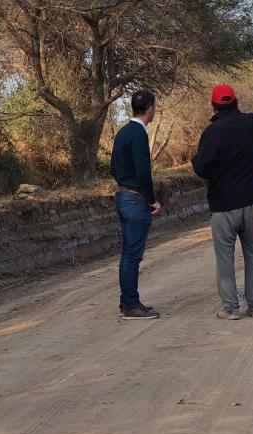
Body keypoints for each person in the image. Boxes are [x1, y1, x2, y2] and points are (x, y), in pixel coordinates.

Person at [192, 84, 253, 320]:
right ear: (236, 100)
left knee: (225, 259)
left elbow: (202, 168)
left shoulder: (212, 133)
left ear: (213, 106)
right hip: (252, 202)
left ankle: (231, 309)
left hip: (224, 206)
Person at [110, 90, 162, 320]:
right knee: (132, 255)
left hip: (122, 196)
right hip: (135, 200)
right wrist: (151, 199)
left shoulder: (122, 133)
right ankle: (131, 306)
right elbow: (143, 171)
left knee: (127, 254)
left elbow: (113, 167)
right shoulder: (139, 134)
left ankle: (129, 302)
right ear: (150, 108)